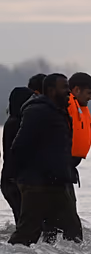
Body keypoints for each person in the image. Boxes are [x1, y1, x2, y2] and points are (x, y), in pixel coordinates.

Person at [7, 74, 83, 245]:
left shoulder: (58, 111)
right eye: (64, 87)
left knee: (73, 231)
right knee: (28, 231)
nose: (68, 91)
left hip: (57, 182)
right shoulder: (37, 111)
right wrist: (34, 173)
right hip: (36, 184)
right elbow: (19, 147)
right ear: (50, 90)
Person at [2, 85, 35, 223]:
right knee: (26, 222)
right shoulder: (18, 123)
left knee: (22, 220)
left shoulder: (11, 122)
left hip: (9, 179)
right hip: (15, 179)